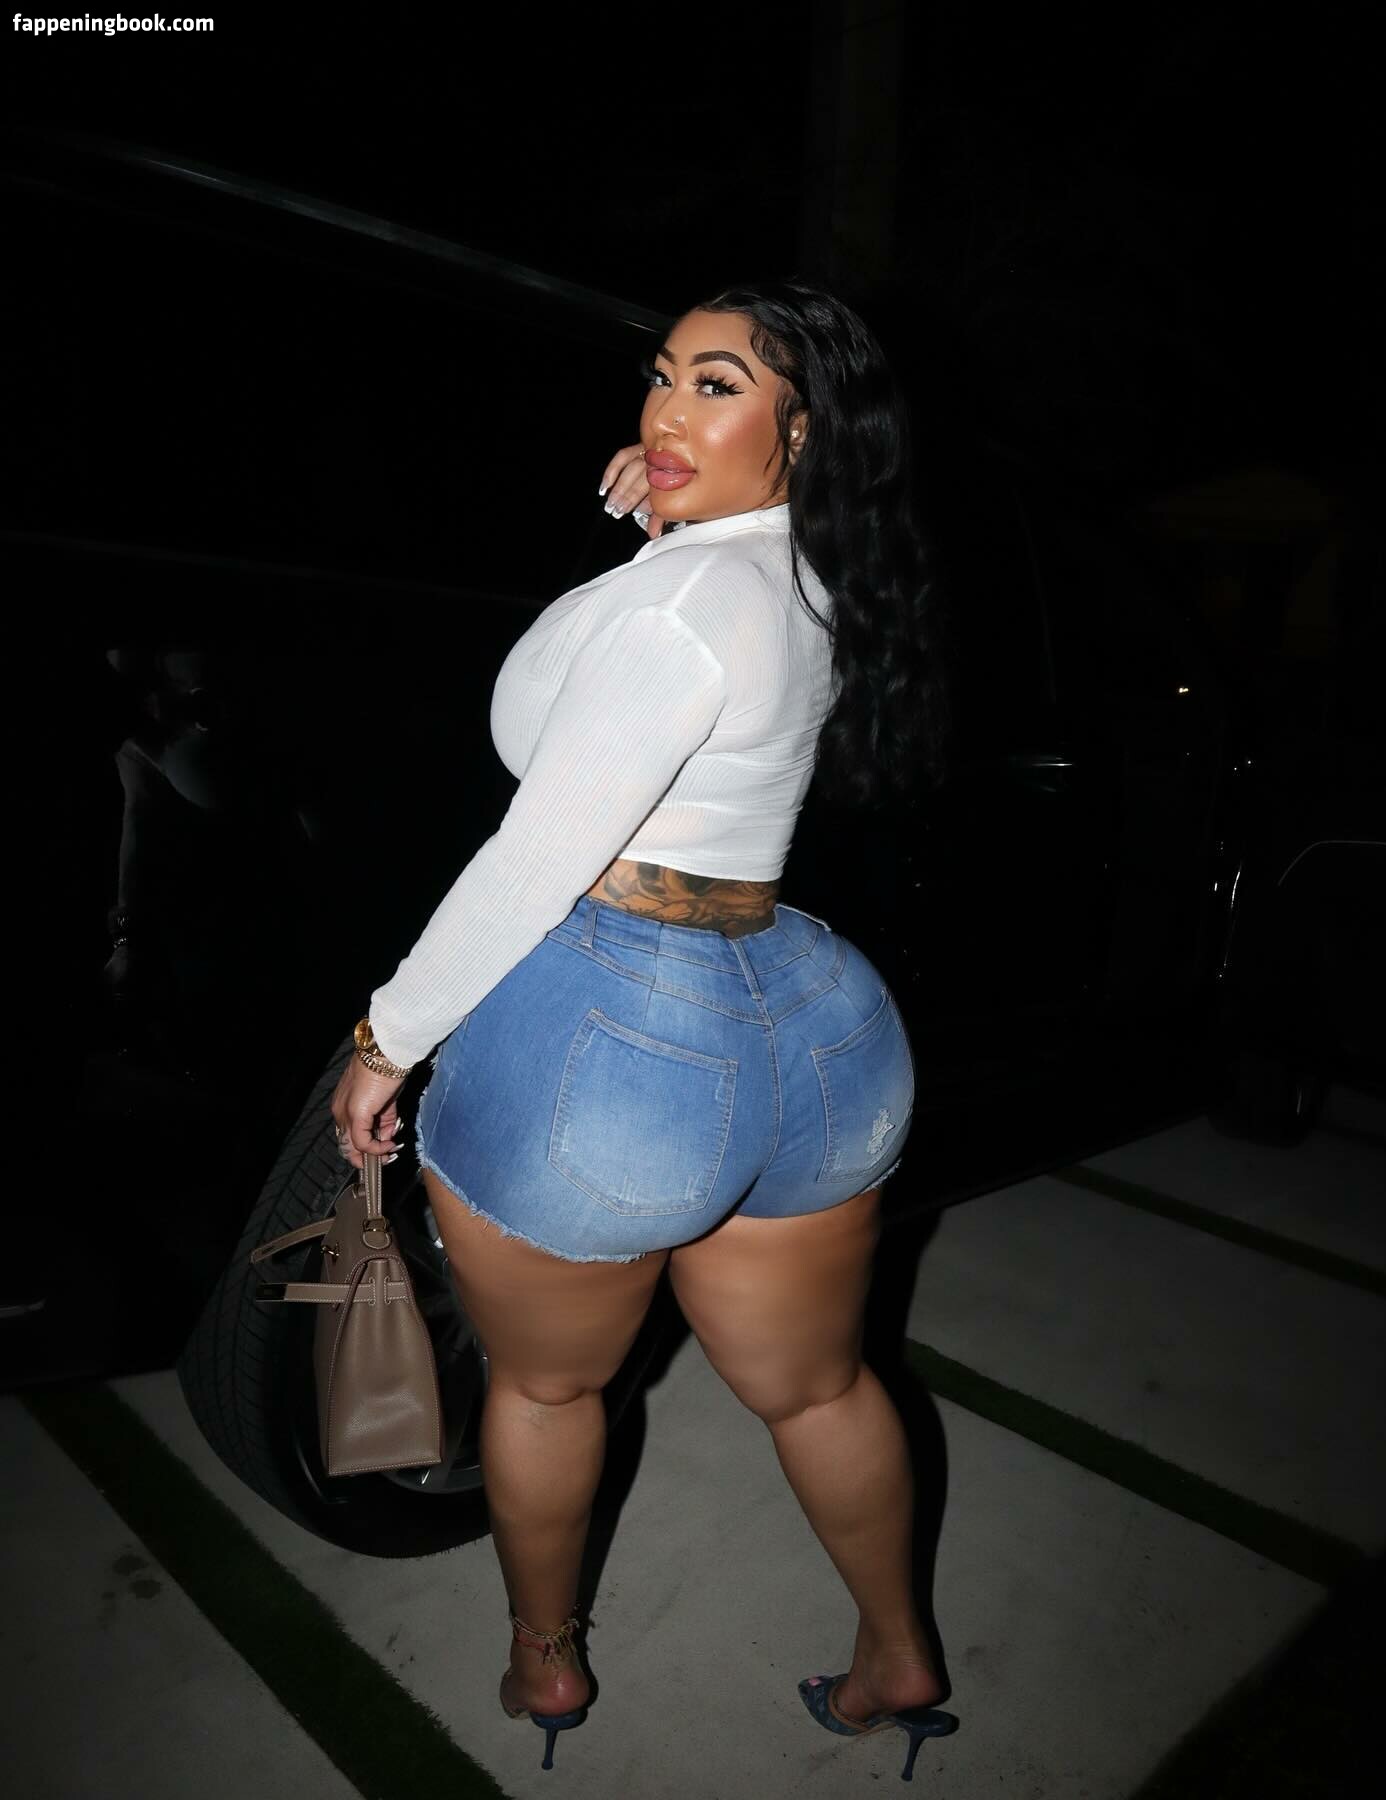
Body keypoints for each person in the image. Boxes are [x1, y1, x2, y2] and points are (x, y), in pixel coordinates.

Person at [331, 278, 955, 1777]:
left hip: (618, 1037)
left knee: (551, 1387)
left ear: (803, 432)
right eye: (664, 376)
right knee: (821, 1385)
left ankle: (546, 1666)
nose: (666, 412)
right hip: (814, 1028)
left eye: (718, 386)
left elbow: (539, 854)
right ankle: (898, 1652)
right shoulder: (812, 572)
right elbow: (688, 668)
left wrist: (384, 1041)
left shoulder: (679, 609)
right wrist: (672, 517)